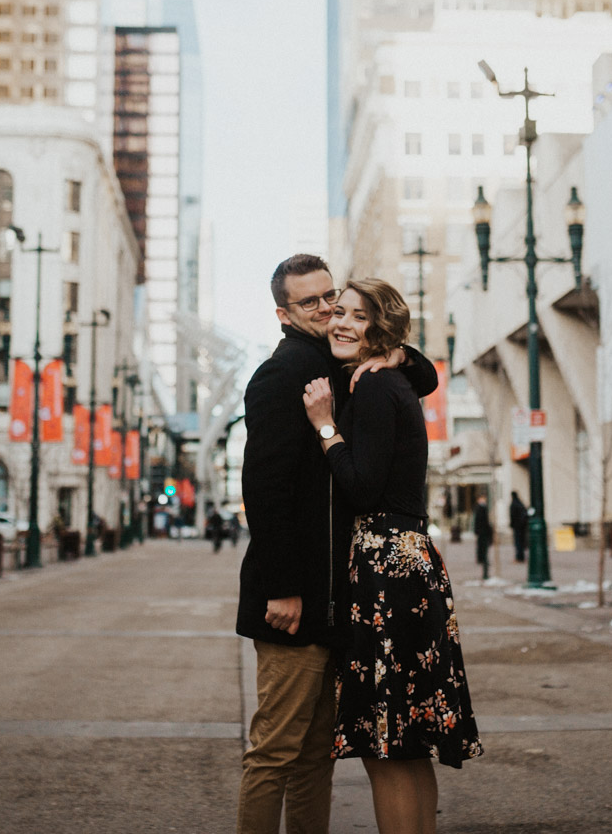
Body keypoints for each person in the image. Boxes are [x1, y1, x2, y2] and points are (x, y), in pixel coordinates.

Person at [236, 255, 440, 834]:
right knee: (276, 751)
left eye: (333, 297)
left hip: (340, 599)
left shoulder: (344, 363)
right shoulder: (283, 375)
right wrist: (282, 588)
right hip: (293, 599)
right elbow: (265, 490)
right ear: (284, 314)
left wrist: (396, 353)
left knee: (317, 753)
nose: (328, 310)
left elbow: (418, 378)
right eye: (313, 303)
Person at [303, 278, 482, 834]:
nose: (341, 322)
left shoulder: (378, 388)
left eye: (359, 316)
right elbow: (425, 373)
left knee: (388, 746)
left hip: (387, 568)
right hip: (405, 563)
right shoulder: (391, 377)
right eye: (339, 312)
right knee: (404, 741)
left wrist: (325, 426)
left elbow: (360, 486)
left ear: (379, 330)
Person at [472, 497, 493, 580]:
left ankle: (484, 566)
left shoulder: (479, 509)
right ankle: (485, 571)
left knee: (483, 550)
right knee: (484, 551)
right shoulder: (482, 509)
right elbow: (484, 522)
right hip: (483, 534)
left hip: (482, 533)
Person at [509, 491, 529, 563]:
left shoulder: (514, 504)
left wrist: (512, 524)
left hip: (517, 527)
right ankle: (521, 556)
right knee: (521, 542)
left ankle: (519, 557)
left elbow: (512, 516)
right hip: (522, 527)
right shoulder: (520, 503)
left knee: (518, 542)